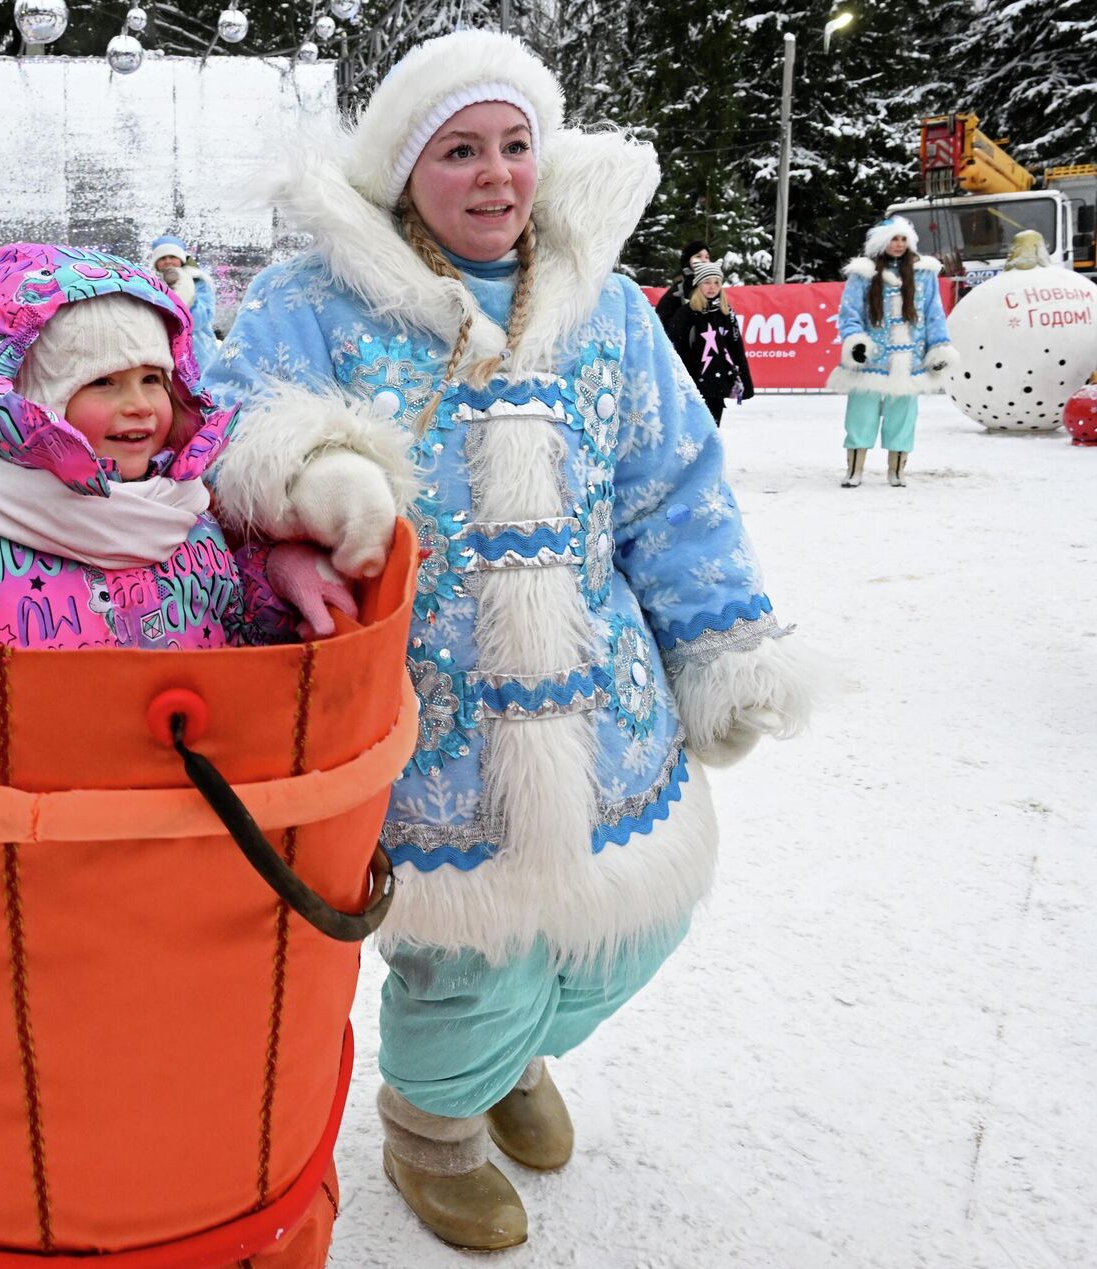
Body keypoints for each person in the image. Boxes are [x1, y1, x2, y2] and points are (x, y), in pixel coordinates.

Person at [201, 30, 819, 1250]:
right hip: (434, 716)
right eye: (461, 152)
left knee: (630, 928)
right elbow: (234, 443)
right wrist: (311, 484)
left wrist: (724, 644)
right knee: (467, 954)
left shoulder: (610, 308)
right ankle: (432, 1123)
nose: (496, 176)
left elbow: (674, 489)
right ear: (404, 169)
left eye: (515, 146)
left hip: (606, 706)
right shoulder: (311, 299)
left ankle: (511, 1057)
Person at [0, 243, 340, 650]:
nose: (141, 405)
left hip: (181, 798)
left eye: (153, 379)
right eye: (104, 382)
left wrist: (277, 577)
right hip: (51, 801)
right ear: (34, 406)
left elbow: (240, 626)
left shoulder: (188, 522)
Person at [825, 216, 956, 488]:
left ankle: (896, 470)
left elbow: (934, 314)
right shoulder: (864, 273)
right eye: (893, 239)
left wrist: (939, 347)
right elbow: (850, 314)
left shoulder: (924, 273)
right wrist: (856, 343)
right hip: (873, 358)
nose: (898, 244)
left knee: (904, 415)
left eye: (903, 239)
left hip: (910, 358)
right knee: (861, 413)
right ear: (882, 242)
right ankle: (854, 469)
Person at [667, 261, 755, 424]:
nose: (712, 287)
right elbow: (674, 348)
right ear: (698, 284)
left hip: (717, 384)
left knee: (712, 431)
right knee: (691, 432)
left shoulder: (726, 313)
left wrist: (745, 381)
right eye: (707, 282)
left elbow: (736, 348)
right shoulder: (686, 313)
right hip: (692, 384)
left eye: (716, 282)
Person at [148, 233, 219, 373]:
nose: (168, 261)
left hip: (197, 352)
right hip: (161, 351)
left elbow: (201, 318)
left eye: (172, 257)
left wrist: (184, 292)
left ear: (181, 259)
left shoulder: (198, 281)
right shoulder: (148, 283)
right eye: (162, 258)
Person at [653, 240, 710, 328]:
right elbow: (661, 325)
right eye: (698, 256)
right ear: (688, 260)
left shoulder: (713, 287)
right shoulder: (678, 291)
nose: (704, 260)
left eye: (707, 257)